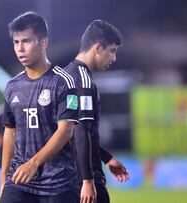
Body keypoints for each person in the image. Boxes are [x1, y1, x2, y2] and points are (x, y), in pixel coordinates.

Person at [0, 11, 79, 203]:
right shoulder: (12, 86)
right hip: (20, 180)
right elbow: (10, 133)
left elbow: (66, 130)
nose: (20, 49)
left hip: (58, 183)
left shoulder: (64, 82)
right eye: (16, 43)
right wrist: (3, 179)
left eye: (26, 41)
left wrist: (33, 163)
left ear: (43, 43)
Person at [63, 20, 129, 203]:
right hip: (84, 179)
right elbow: (81, 130)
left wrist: (106, 158)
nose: (114, 58)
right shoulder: (83, 80)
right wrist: (87, 180)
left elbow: (69, 133)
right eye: (112, 51)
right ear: (98, 48)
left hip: (63, 180)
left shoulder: (63, 76)